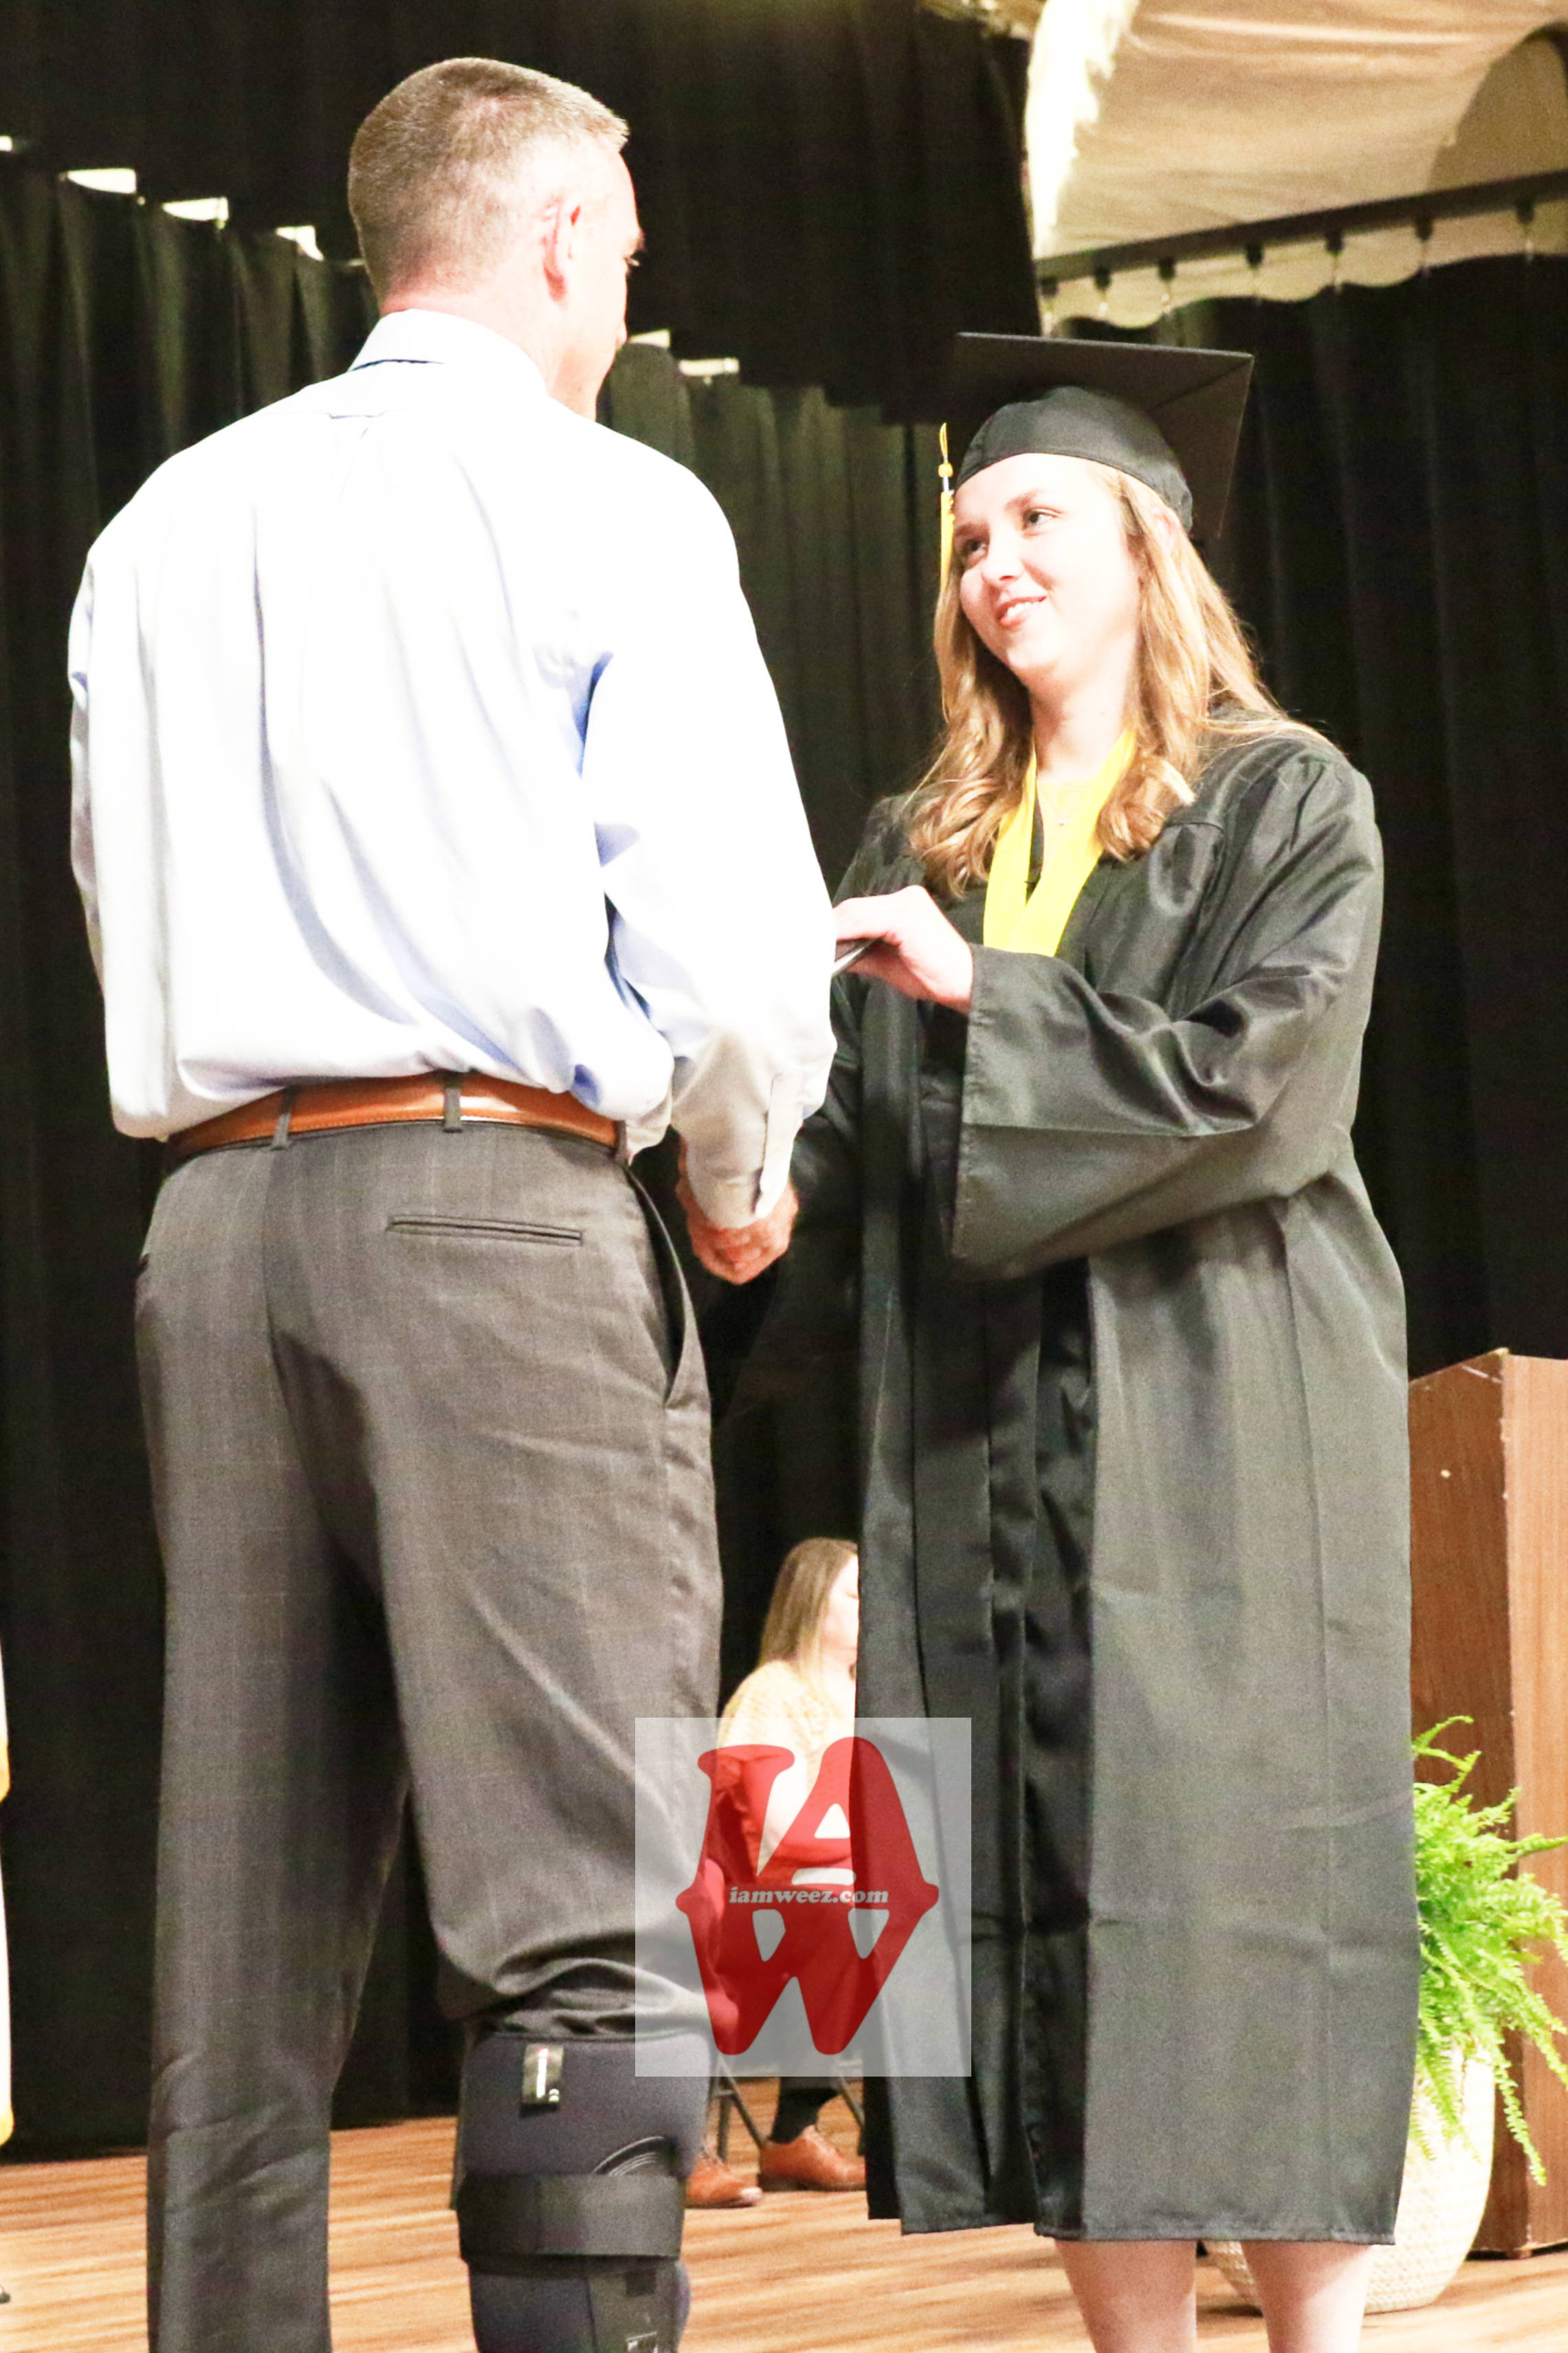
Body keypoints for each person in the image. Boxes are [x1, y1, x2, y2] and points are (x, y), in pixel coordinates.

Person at [69, 56, 832, 2353]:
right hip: (494, 1206)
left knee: (239, 1939)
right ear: (564, 238)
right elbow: (727, 947)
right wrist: (739, 1175)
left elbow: (116, 888)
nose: (628, 293)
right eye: (627, 252)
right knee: (586, 1904)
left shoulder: (160, 525)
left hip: (213, 1233)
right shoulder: (610, 504)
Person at [692, 336, 1419, 2353]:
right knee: (1046, 1914)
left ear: (1146, 544)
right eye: (967, 537)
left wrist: (980, 998)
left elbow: (1258, 1085)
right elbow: (845, 1130)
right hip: (982, 1441)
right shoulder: (922, 833)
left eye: (1034, 519)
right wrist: (743, 1184)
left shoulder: (1284, 800)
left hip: (1217, 1414)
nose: (992, 561)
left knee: (1245, 1906)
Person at [685, 1537, 866, 2204]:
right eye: (857, 1593)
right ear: (815, 1603)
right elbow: (775, 1829)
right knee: (846, 1916)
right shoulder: (772, 1694)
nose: (873, 1607)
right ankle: (778, 2130)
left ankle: (910, 2143)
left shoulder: (868, 1695)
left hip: (831, 1888)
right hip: (750, 1899)